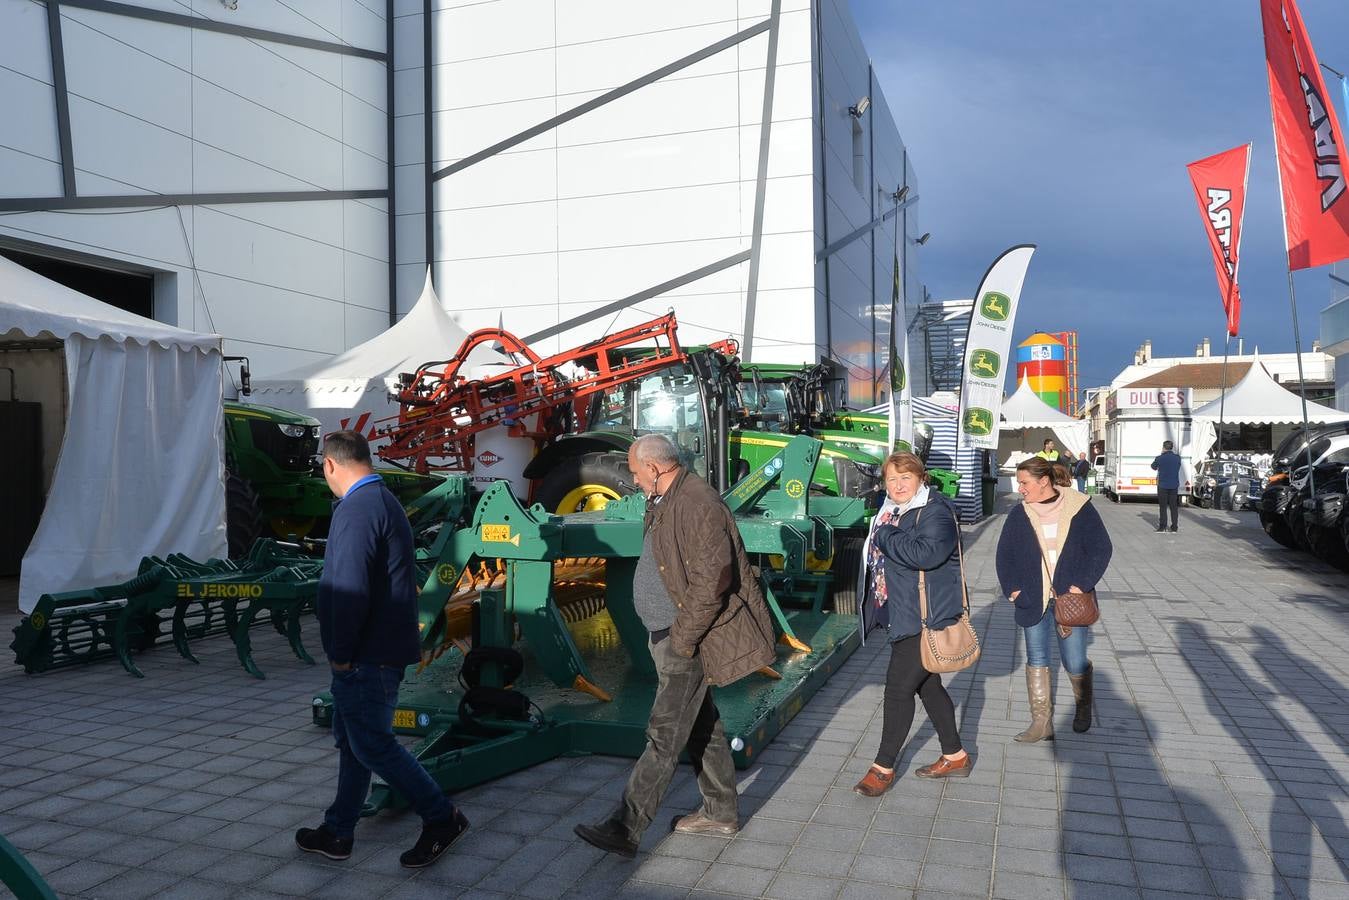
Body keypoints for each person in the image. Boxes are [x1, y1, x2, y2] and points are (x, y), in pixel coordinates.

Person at [574, 433, 776, 857]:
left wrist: (682, 640)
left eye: (633, 471)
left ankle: (625, 827)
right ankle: (721, 813)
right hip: (668, 632)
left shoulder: (697, 503)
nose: (632, 479)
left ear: (653, 467)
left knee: (665, 733)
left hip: (686, 637)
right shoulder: (666, 497)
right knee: (702, 725)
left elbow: (713, 581)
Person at [295, 431, 469, 868]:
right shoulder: (382, 500)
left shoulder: (356, 509)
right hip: (376, 649)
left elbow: (349, 588)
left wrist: (340, 652)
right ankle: (338, 831)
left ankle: (441, 816)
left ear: (330, 465)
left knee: (373, 745)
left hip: (364, 655)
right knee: (356, 743)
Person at [853, 451, 970, 797]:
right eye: (891, 478)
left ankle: (882, 767)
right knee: (928, 686)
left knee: (898, 690)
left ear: (921, 479)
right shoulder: (894, 510)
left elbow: (926, 554)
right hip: (903, 611)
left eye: (905, 478)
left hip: (923, 617)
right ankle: (956, 755)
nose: (898, 485)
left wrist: (885, 535)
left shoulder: (935, 512)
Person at [995, 456, 1112, 739]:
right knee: (1037, 658)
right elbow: (1004, 554)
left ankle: (1083, 707)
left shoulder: (1078, 508)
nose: (1020, 488)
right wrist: (1012, 588)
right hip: (1033, 598)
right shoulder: (1019, 513)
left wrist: (1081, 584)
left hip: (1070, 600)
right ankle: (1041, 723)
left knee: (1074, 661)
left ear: (1043, 481)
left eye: (1024, 483)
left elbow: (1101, 548)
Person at [1151, 440, 1182, 533]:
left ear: (1164, 447)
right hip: (1174, 485)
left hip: (1163, 485)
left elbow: (1153, 467)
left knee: (1163, 507)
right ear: (1172, 447)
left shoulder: (1159, 458)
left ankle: (1162, 527)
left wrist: (1161, 455)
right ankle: (1174, 527)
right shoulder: (1177, 458)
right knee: (1173, 507)